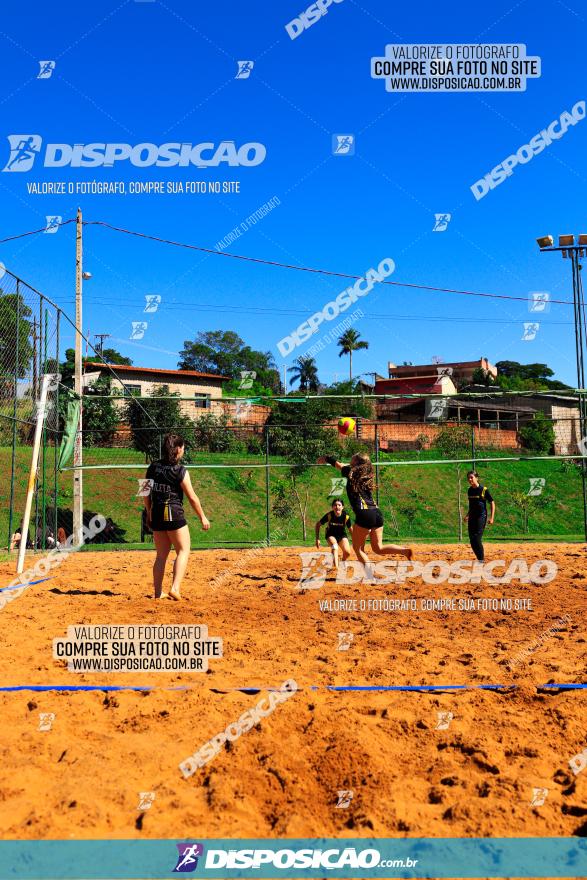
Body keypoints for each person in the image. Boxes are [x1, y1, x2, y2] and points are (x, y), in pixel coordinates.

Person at [143, 433, 210, 600]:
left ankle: (158, 593)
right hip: (174, 514)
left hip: (157, 514)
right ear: (178, 449)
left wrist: (149, 512)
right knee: (183, 550)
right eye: (183, 448)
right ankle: (175, 588)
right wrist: (203, 517)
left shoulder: (153, 466)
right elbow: (192, 498)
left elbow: (144, 493)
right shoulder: (180, 470)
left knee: (160, 556)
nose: (183, 451)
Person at [317, 452, 413, 564]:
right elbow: (344, 465)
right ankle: (404, 551)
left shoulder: (350, 472)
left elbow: (339, 465)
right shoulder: (365, 475)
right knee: (378, 548)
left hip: (364, 514)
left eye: (354, 456)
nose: (352, 456)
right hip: (377, 512)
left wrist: (326, 458)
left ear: (356, 462)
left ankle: (370, 574)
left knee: (358, 549)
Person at [464, 470, 495, 562]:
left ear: (476, 478)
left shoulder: (483, 490)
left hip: (481, 517)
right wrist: (467, 515)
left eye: (471, 477)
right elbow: (472, 505)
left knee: (477, 539)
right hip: (472, 517)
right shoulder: (470, 490)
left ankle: (481, 560)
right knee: (472, 540)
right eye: (468, 478)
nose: (470, 479)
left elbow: (492, 503)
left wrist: (492, 517)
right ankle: (480, 559)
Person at [315, 498, 352, 570]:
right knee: (334, 547)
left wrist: (356, 540)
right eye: (335, 505)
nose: (337, 507)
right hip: (330, 534)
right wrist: (317, 538)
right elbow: (318, 524)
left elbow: (350, 529)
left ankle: (343, 561)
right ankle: (335, 569)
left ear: (342, 507)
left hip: (342, 535)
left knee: (347, 552)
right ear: (332, 507)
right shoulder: (329, 515)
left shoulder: (346, 516)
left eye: (339, 505)